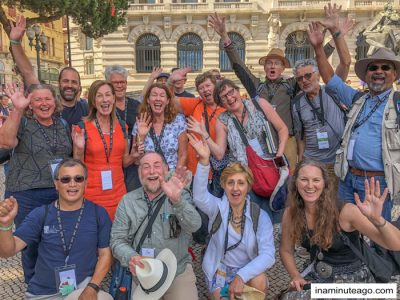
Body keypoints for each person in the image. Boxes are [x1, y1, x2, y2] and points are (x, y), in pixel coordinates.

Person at [209, 12, 353, 172]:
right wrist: (224, 35)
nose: (272, 66)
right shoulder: (256, 86)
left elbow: (314, 63)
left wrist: (336, 38)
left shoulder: (293, 84)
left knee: (288, 181)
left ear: (283, 68)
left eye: (277, 63)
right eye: (269, 63)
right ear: (264, 68)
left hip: (287, 142)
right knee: (264, 181)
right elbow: (239, 66)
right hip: (262, 142)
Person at [308, 3, 400, 221]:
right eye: (373, 68)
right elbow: (330, 79)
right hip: (348, 179)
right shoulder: (358, 99)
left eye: (385, 68)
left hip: (379, 183)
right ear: (366, 75)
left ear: (394, 75)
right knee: (345, 232)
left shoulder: (397, 103)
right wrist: (319, 48)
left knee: (381, 237)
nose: (379, 72)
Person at [280, 159, 400, 296]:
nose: (310, 185)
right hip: (318, 274)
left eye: (316, 180)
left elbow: (396, 244)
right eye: (304, 179)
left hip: (353, 281)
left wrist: (378, 220)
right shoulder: (291, 214)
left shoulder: (346, 212)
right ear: (295, 182)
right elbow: (285, 250)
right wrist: (296, 276)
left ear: (325, 183)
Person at [0, 159, 113, 299]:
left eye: (78, 178)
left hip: (81, 288)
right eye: (65, 179)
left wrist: (92, 287)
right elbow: (7, 252)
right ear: (56, 184)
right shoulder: (41, 214)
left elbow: (105, 255)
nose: (72, 184)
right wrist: (5, 225)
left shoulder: (98, 213)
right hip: (43, 294)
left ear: (86, 182)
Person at [188, 79, 288, 223]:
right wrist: (205, 134)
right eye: (224, 97)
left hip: (273, 169)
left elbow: (282, 129)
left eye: (231, 92)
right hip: (246, 177)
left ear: (237, 91)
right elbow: (219, 153)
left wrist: (279, 158)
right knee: (257, 219)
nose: (229, 98)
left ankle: (276, 242)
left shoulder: (259, 104)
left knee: (279, 215)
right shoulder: (223, 120)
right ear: (221, 102)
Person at [0, 83, 72, 283]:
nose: (43, 103)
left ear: (54, 101)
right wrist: (17, 109)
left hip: (57, 192)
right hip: (26, 193)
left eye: (47, 98)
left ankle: (58, 282)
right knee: (30, 241)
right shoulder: (22, 122)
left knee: (57, 239)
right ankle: (35, 286)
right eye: (37, 99)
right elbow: (5, 141)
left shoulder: (62, 125)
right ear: (30, 104)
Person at [189, 133, 274, 300]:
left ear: (248, 187)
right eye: (231, 182)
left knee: (260, 280)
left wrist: (241, 276)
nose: (235, 188)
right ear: (224, 186)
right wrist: (204, 162)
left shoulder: (259, 216)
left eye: (241, 183)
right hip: (220, 269)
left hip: (247, 269)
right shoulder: (217, 208)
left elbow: (268, 255)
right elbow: (199, 197)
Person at [110, 152, 201, 300]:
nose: (152, 171)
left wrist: (177, 201)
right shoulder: (128, 201)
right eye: (146, 167)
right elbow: (117, 240)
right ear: (139, 173)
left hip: (178, 271)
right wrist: (131, 257)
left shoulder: (179, 194)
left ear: (165, 170)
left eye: (157, 166)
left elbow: (195, 226)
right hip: (144, 275)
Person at [72, 80, 142, 221]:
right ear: (93, 100)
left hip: (118, 195)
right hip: (92, 195)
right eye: (99, 96)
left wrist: (134, 156)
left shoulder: (122, 127)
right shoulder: (82, 128)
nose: (105, 100)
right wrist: (79, 149)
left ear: (114, 98)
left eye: (108, 95)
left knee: (116, 238)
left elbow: (123, 162)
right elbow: (77, 169)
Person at [9, 16, 88, 128]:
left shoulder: (86, 108)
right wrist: (15, 42)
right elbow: (28, 72)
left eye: (74, 82)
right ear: (59, 83)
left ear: (79, 86)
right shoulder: (48, 105)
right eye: (66, 81)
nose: (69, 85)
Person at [292, 58, 347, 190]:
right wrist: (300, 161)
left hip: (336, 161)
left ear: (318, 75)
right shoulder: (297, 103)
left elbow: (345, 63)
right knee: (314, 200)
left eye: (307, 75)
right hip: (312, 162)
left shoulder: (332, 91)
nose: (304, 80)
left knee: (334, 202)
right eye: (300, 78)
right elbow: (300, 136)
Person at [132, 83, 187, 171]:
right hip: (149, 177)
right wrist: (141, 137)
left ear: (167, 101)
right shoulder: (140, 123)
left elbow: (182, 155)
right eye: (154, 95)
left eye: (162, 96)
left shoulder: (178, 121)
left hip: (171, 176)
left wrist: (174, 177)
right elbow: (136, 161)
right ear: (148, 100)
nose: (158, 98)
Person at [105, 65, 141, 191]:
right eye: (115, 83)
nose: (120, 86)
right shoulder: (104, 106)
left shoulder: (136, 105)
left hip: (133, 162)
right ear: (108, 84)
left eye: (122, 82)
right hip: (111, 162)